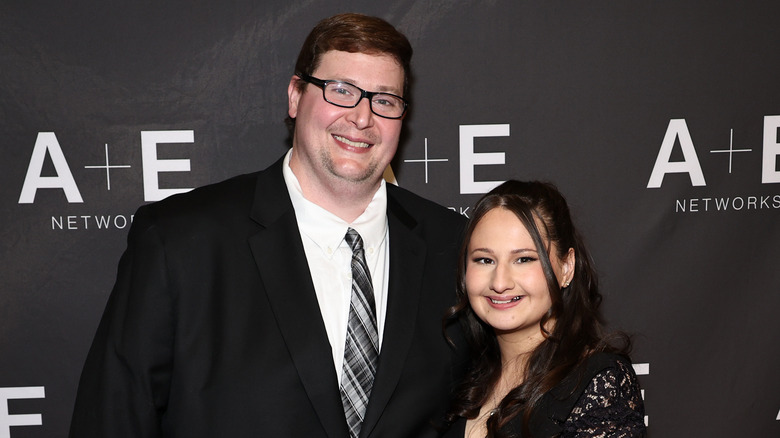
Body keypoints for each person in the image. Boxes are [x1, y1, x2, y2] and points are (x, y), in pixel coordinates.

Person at [69, 13, 466, 438]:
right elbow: (113, 420)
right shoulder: (180, 241)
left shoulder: (453, 245)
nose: (362, 117)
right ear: (295, 96)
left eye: (384, 100)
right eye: (341, 90)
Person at [439, 180, 646, 438]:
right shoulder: (459, 380)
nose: (500, 282)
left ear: (567, 267)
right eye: (485, 259)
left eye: (524, 259)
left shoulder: (597, 383)